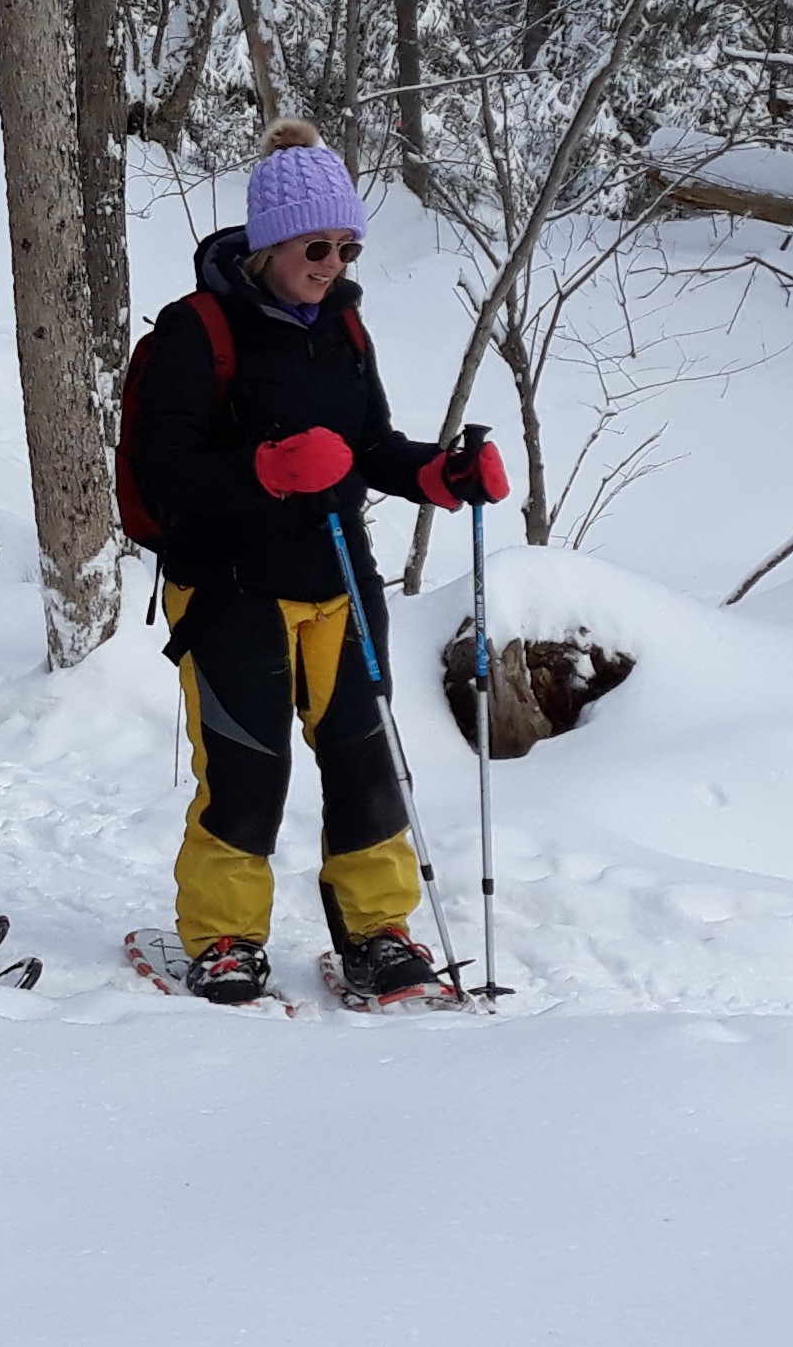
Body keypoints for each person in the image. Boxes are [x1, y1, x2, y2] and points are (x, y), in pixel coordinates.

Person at [123, 118, 510, 1007]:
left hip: (337, 582)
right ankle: (223, 937)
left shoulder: (343, 327)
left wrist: (437, 472)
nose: (334, 262)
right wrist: (265, 470)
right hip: (228, 589)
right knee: (245, 767)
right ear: (269, 242)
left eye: (346, 245)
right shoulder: (199, 330)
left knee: (365, 760)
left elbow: (368, 444)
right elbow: (164, 468)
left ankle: (377, 931)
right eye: (317, 245)